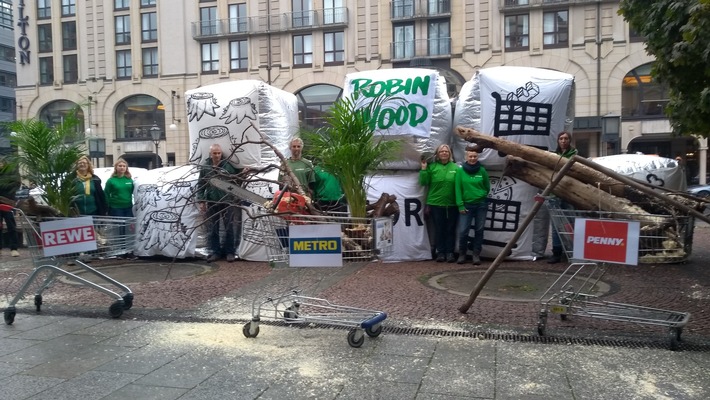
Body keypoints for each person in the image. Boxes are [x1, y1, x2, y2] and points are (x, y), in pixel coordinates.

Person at [197, 143, 240, 262]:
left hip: (227, 201)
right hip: (212, 201)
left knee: (229, 227)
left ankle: (229, 252)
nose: (217, 155)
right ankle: (215, 252)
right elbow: (200, 185)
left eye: (219, 153)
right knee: (213, 228)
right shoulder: (205, 167)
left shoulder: (227, 166)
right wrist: (201, 200)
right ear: (210, 154)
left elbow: (236, 177)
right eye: (214, 153)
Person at [419, 144, 458, 263]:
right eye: (441, 151)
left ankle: (450, 252)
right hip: (436, 203)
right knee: (439, 228)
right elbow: (424, 182)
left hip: (452, 204)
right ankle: (440, 252)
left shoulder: (456, 168)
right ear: (437, 154)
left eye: (446, 151)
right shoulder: (432, 167)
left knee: (450, 229)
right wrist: (424, 169)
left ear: (450, 154)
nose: (444, 153)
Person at [546, 131, 578, 264]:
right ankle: (557, 252)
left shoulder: (575, 155)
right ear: (558, 140)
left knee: (572, 223)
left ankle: (572, 251)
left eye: (566, 138)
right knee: (556, 226)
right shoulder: (553, 156)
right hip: (554, 194)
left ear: (570, 140)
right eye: (561, 138)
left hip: (569, 194)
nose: (563, 141)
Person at [455, 146, 490, 265]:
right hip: (466, 205)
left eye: (475, 156)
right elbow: (458, 189)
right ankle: (462, 254)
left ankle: (476, 255)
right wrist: (460, 205)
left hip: (481, 205)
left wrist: (482, 194)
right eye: (470, 156)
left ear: (478, 157)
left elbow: (487, 186)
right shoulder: (460, 171)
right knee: (463, 231)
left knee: (479, 230)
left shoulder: (482, 170)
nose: (473, 158)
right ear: (466, 157)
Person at [0, 160, 21, 257]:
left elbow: (16, 184)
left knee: (11, 225)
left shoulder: (11, 172)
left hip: (7, 202)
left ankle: (14, 248)